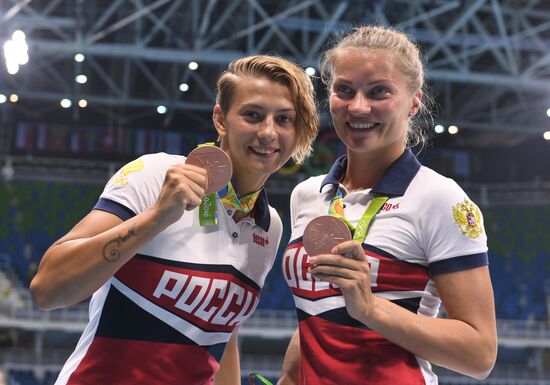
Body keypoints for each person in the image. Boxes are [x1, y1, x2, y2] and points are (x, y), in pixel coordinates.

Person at [30, 54, 319, 385]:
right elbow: (47, 289)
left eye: (284, 119)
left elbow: (224, 335)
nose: (268, 132)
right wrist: (156, 217)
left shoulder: (270, 227)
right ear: (221, 119)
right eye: (253, 115)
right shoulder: (157, 175)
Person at [277, 25, 497, 385]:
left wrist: (370, 307)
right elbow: (316, 311)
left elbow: (480, 355)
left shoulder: (441, 199)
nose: (358, 106)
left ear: (414, 102)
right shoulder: (308, 194)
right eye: (344, 90)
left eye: (379, 91)